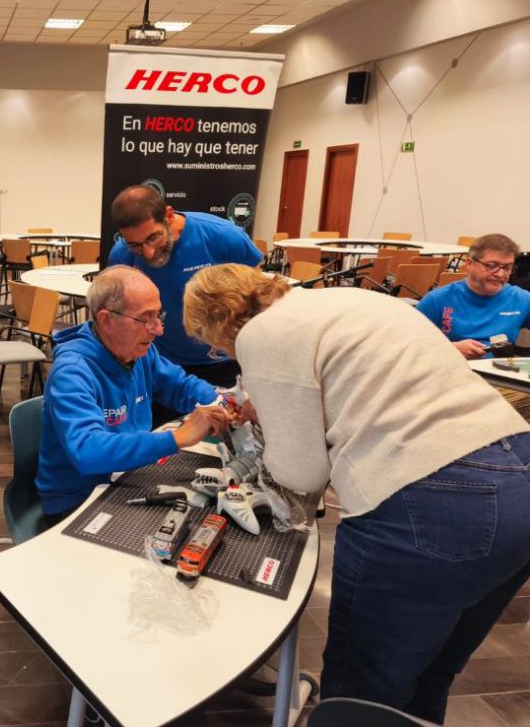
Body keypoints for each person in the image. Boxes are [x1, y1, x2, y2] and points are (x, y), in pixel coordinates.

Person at [182, 264, 530, 725]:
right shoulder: (346, 299)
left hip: (429, 497)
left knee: (363, 693)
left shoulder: (261, 333)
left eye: (212, 341)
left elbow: (300, 474)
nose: (217, 350)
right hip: (517, 471)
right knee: (429, 678)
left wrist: (269, 429)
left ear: (220, 321)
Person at [36, 265, 230, 523]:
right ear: (106, 320)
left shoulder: (139, 351)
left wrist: (225, 401)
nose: (158, 329)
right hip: (77, 499)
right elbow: (87, 451)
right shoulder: (72, 373)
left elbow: (182, 386)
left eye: (158, 316)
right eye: (146, 318)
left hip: (126, 477)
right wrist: (177, 438)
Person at [107, 185, 263, 403]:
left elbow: (259, 299)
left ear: (169, 216)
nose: (148, 252)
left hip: (222, 363)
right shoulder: (122, 255)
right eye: (135, 245)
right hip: (162, 367)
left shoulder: (223, 237)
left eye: (153, 238)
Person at [416, 233, 530, 358]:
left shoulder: (521, 299)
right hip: (451, 370)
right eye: (491, 266)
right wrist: (450, 349)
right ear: (469, 264)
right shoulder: (437, 300)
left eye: (508, 267)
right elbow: (408, 347)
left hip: (501, 372)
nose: (500, 274)